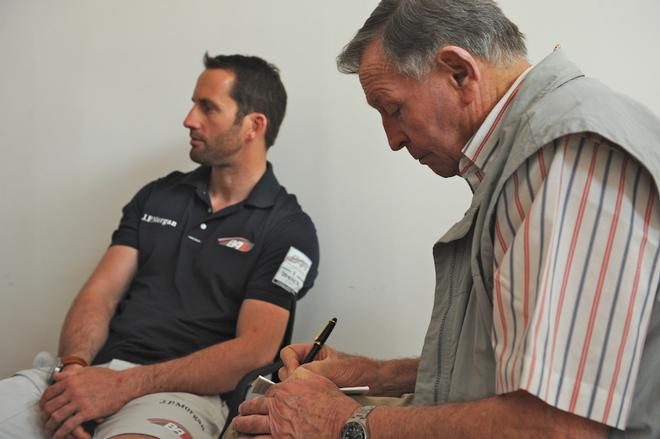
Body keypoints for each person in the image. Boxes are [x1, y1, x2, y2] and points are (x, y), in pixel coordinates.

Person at [233, 0, 660, 438]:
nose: (393, 139)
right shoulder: (536, 150)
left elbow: (555, 428)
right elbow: (530, 369)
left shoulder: (568, 154)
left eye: (393, 108)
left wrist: (343, 422)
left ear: (459, 72)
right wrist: (377, 375)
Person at [0, 53, 319, 439]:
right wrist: (74, 370)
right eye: (193, 104)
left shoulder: (289, 230)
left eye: (208, 108)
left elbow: (253, 351)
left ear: (253, 125)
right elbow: (100, 295)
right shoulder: (159, 195)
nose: (189, 119)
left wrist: (123, 386)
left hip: (181, 396)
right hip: (89, 375)